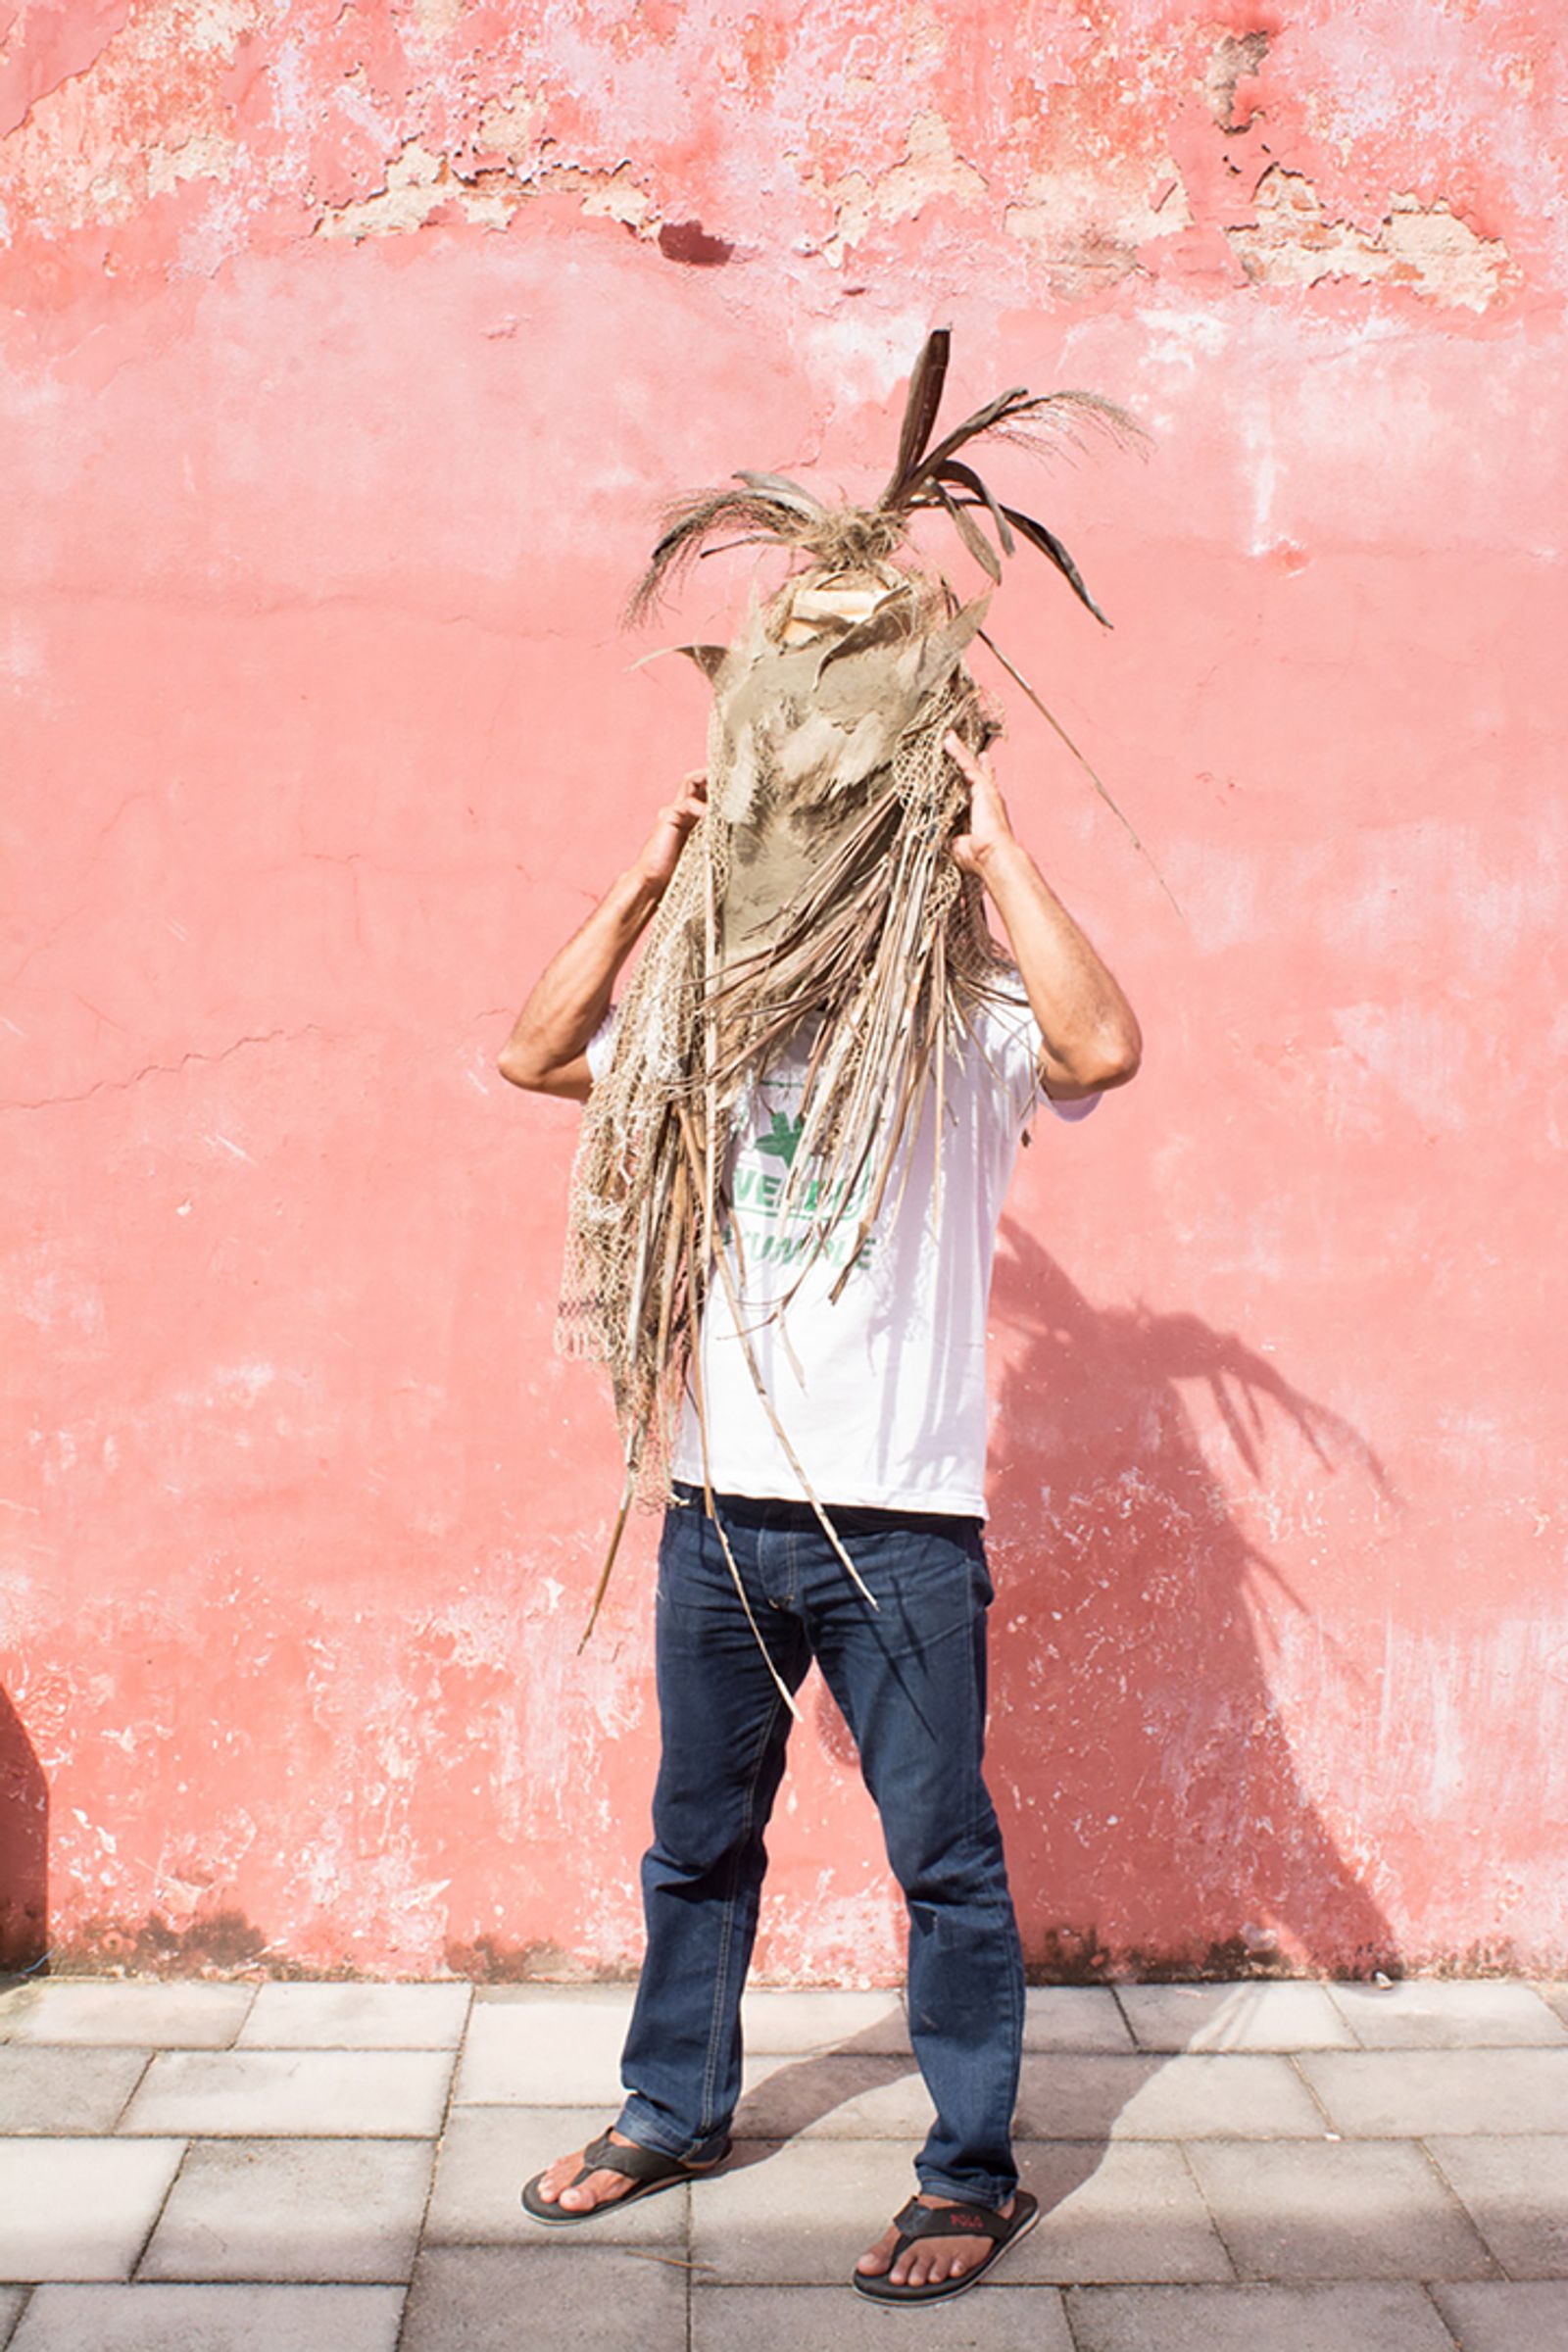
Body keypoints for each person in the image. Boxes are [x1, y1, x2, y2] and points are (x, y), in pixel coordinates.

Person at [498, 726, 1141, 2303]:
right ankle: (676, 2113)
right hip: (719, 1514)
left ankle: (972, 2177)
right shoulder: (713, 1030)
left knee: (944, 1860)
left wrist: (997, 850)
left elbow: (1104, 1048)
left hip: (902, 1532)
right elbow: (533, 1052)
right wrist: (649, 879)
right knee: (696, 1845)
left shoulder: (972, 1027)